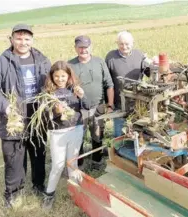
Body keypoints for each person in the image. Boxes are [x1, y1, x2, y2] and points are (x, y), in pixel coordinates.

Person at [0, 24, 51, 208]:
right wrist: (5, 107)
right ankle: (14, 194)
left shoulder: (43, 60)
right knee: (14, 160)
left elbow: (50, 84)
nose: (23, 42)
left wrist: (49, 99)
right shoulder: (0, 63)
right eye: (19, 38)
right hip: (13, 121)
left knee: (38, 155)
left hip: (37, 120)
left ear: (32, 41)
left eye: (27, 39)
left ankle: (38, 186)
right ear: (11, 39)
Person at [41, 61, 88, 209]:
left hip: (76, 129)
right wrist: (56, 111)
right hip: (58, 133)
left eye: (63, 76)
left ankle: (76, 193)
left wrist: (83, 96)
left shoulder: (74, 89)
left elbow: (86, 106)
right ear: (52, 77)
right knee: (58, 165)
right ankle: (48, 195)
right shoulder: (48, 93)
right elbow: (44, 116)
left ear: (68, 76)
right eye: (56, 76)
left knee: (72, 164)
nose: (60, 79)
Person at [68, 35, 114, 170]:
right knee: (78, 138)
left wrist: (110, 105)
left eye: (86, 47)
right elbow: (65, 87)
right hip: (78, 109)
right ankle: (79, 164)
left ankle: (97, 162)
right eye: (80, 47)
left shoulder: (99, 62)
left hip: (98, 106)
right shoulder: (70, 65)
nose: (83, 50)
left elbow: (109, 85)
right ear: (75, 48)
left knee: (98, 135)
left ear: (91, 47)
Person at [105, 31, 150, 138]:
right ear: (117, 43)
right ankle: (118, 152)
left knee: (137, 132)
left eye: (127, 44)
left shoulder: (139, 55)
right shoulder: (110, 57)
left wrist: (151, 64)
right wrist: (108, 104)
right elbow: (106, 81)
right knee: (119, 133)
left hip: (138, 103)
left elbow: (148, 73)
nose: (124, 47)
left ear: (133, 43)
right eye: (121, 44)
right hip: (119, 103)